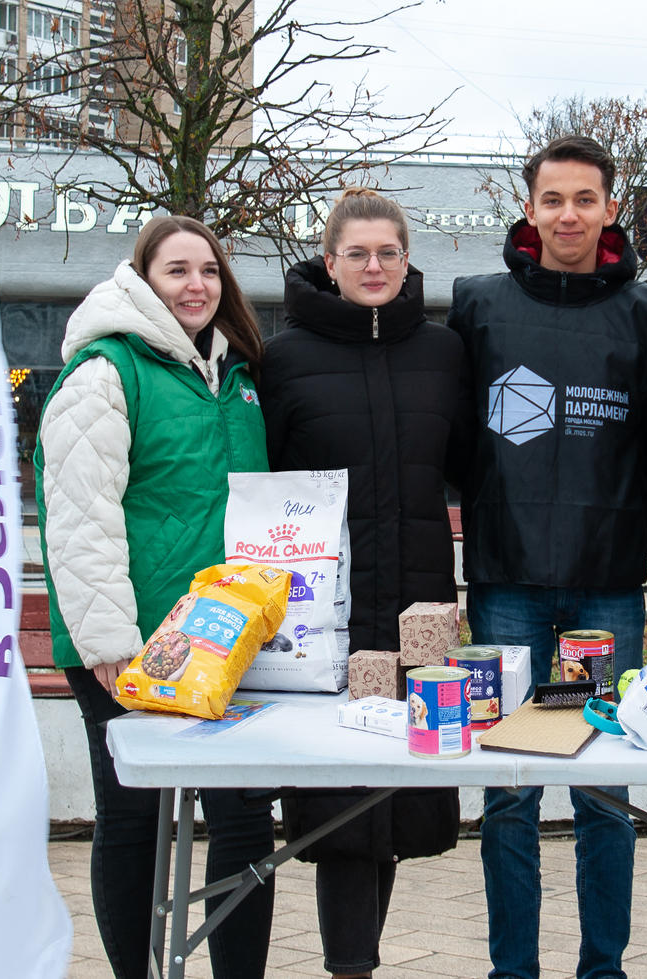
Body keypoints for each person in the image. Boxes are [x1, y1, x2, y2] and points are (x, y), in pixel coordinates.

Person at [447, 135, 647, 979]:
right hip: (506, 588)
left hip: (607, 589)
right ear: (528, 207)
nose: (568, 214)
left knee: (605, 793)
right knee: (509, 796)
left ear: (611, 208)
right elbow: (457, 434)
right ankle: (514, 969)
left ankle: (602, 967)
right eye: (553, 199)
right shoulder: (478, 303)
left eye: (585, 199)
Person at [35, 215, 276, 979]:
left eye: (208, 270)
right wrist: (110, 642)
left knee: (242, 822)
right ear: (141, 279)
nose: (196, 285)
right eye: (176, 270)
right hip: (131, 645)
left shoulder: (234, 376)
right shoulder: (106, 372)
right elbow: (78, 515)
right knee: (135, 818)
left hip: (223, 642)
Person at [259, 188, 468, 978]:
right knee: (342, 793)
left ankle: (361, 958)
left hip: (417, 603)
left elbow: (468, 464)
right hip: (324, 612)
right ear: (329, 261)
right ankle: (350, 966)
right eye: (358, 253)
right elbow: (263, 481)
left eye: (388, 252)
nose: (373, 266)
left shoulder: (444, 353)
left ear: (407, 260)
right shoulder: (283, 359)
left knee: (398, 788)